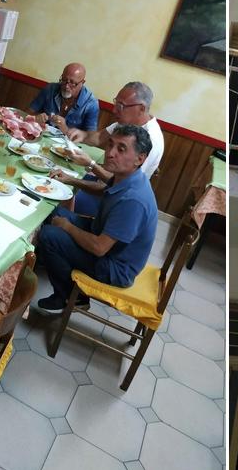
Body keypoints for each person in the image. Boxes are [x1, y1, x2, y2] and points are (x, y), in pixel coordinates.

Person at [36, 125, 158, 313]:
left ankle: (70, 297)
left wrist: (67, 228)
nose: (110, 153)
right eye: (110, 145)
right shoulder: (128, 178)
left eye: (121, 149)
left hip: (115, 267)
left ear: (140, 159)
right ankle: (50, 262)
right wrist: (71, 180)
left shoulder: (134, 200)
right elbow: (104, 190)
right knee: (54, 214)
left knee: (50, 235)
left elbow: (99, 248)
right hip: (102, 236)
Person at [67, 81, 164, 180]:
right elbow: (99, 138)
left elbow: (123, 183)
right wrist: (82, 135)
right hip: (103, 179)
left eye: (121, 106)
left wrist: (91, 164)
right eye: (116, 103)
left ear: (141, 108)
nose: (114, 110)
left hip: (116, 192)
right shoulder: (127, 122)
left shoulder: (151, 139)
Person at [28, 62, 99, 134]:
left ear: (82, 82)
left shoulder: (91, 103)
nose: (66, 86)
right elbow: (28, 113)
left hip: (69, 143)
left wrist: (66, 130)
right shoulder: (50, 89)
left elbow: (90, 138)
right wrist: (35, 118)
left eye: (72, 83)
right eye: (64, 80)